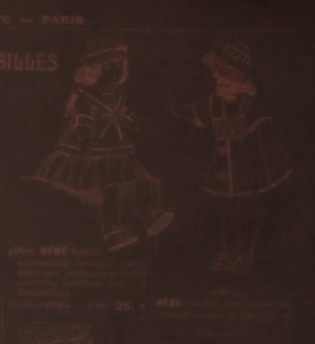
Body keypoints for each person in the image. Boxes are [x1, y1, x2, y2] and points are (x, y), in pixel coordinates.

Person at [33, 37, 172, 251]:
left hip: (120, 147)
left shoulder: (118, 94)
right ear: (95, 70)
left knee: (140, 177)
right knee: (112, 189)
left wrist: (137, 123)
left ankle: (151, 213)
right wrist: (85, 139)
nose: (117, 71)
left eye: (120, 65)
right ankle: (114, 232)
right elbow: (82, 120)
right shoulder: (85, 96)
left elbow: (124, 114)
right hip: (99, 150)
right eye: (110, 66)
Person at [171, 39, 292, 275]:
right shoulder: (213, 101)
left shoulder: (249, 100)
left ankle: (243, 255)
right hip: (222, 167)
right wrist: (173, 108)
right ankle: (228, 252)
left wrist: (259, 150)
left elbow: (263, 127)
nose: (214, 75)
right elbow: (193, 111)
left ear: (232, 73)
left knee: (245, 211)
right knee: (226, 210)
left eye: (218, 70)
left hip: (247, 165)